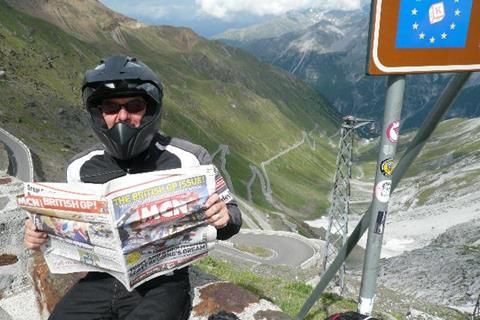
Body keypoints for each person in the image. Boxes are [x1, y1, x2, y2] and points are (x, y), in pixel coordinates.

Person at [23, 55, 242, 319]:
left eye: (134, 106)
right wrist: (40, 232)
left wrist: (223, 216)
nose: (122, 116)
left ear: (150, 109)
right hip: (101, 279)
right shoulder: (79, 167)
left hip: (163, 280)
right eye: (111, 108)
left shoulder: (190, 158)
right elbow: (64, 227)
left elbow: (233, 217)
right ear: (99, 112)